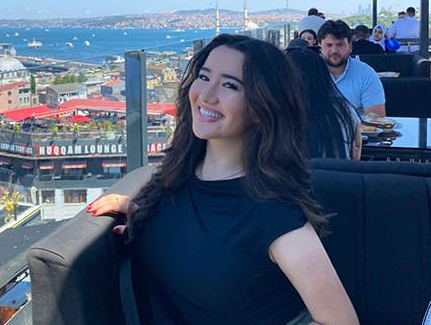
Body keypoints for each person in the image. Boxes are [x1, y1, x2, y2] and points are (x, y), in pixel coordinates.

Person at [88, 34, 359, 325]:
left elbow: (341, 322)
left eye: (230, 85)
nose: (206, 94)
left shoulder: (275, 215)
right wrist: (140, 212)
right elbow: (202, 239)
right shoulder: (179, 173)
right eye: (204, 77)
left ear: (262, 106)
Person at [286, 47, 362, 160]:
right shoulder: (346, 110)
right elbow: (356, 153)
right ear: (324, 75)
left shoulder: (277, 113)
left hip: (290, 177)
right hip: (338, 176)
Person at [318, 20, 386, 117]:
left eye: (340, 45)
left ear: (350, 47)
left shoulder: (366, 74)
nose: (334, 51)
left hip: (357, 131)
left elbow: (376, 121)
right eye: (328, 45)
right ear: (320, 47)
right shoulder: (306, 73)